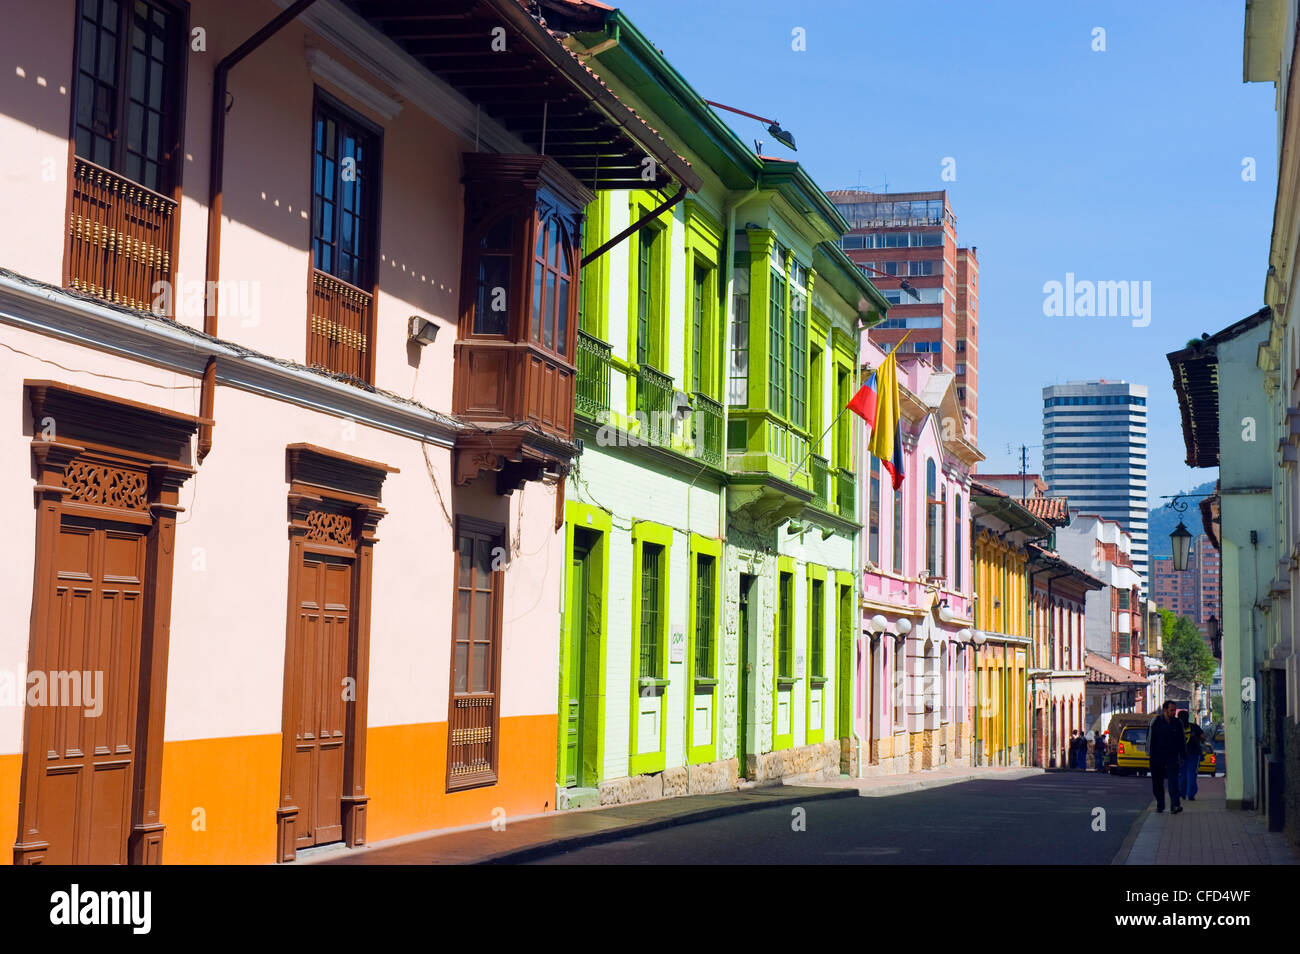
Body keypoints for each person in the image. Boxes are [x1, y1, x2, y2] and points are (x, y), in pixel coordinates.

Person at [1148, 701, 1184, 813]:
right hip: (1157, 757)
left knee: (1173, 781)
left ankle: (1175, 805)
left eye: (1174, 710)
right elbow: (1149, 739)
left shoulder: (1178, 723)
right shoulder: (1156, 722)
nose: (1174, 713)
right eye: (1171, 710)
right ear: (1165, 710)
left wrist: (1183, 755)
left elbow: (1181, 740)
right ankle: (1160, 804)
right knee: (1157, 782)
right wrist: (1149, 754)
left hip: (1172, 757)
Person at [1180, 712, 1204, 801]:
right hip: (1193, 753)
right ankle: (1191, 794)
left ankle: (1182, 793)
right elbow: (1203, 737)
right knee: (1191, 774)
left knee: (1182, 774)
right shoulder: (1194, 727)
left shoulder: (1177, 728)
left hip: (1181, 754)